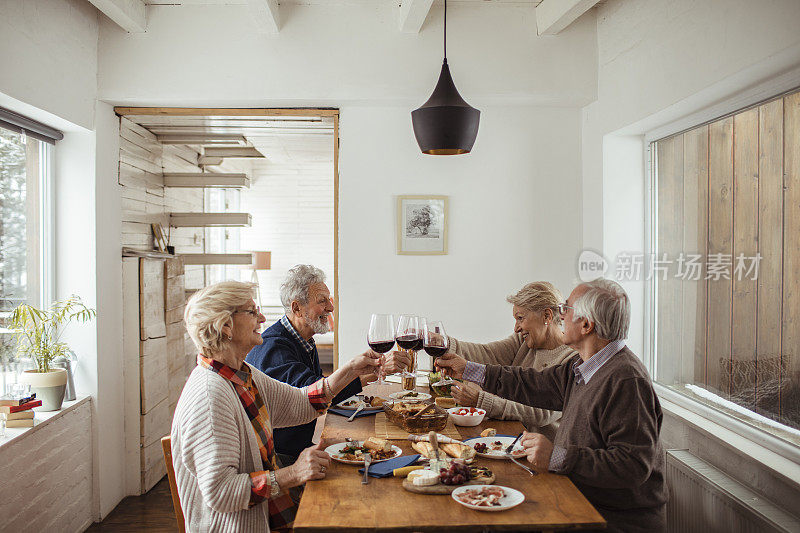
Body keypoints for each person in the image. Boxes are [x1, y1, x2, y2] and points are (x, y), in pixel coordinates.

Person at [436, 279, 667, 532]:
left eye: (565, 309)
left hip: (610, 519)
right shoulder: (582, 366)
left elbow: (632, 466)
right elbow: (532, 384)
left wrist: (557, 457)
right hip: (576, 498)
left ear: (587, 325)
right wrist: (468, 368)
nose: (560, 314)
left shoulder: (626, 380)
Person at [171, 281, 381, 532]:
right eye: (251, 311)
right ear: (226, 325)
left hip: (268, 514)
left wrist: (350, 370)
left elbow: (301, 403)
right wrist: (294, 473)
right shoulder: (210, 396)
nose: (261, 317)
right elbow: (222, 493)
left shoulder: (241, 374)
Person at [246, 264, 406, 464]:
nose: (330, 307)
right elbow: (313, 395)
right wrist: (368, 371)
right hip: (279, 459)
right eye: (322, 301)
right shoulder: (274, 349)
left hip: (299, 449)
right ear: (297, 308)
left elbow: (321, 388)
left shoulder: (303, 340)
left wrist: (370, 370)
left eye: (328, 300)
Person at [443, 282, 577, 440]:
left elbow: (541, 413)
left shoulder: (571, 360)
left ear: (547, 316)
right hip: (510, 439)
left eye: (521, 318)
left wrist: (481, 400)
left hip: (541, 454)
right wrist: (446, 344)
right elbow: (488, 354)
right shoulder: (523, 341)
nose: (516, 328)